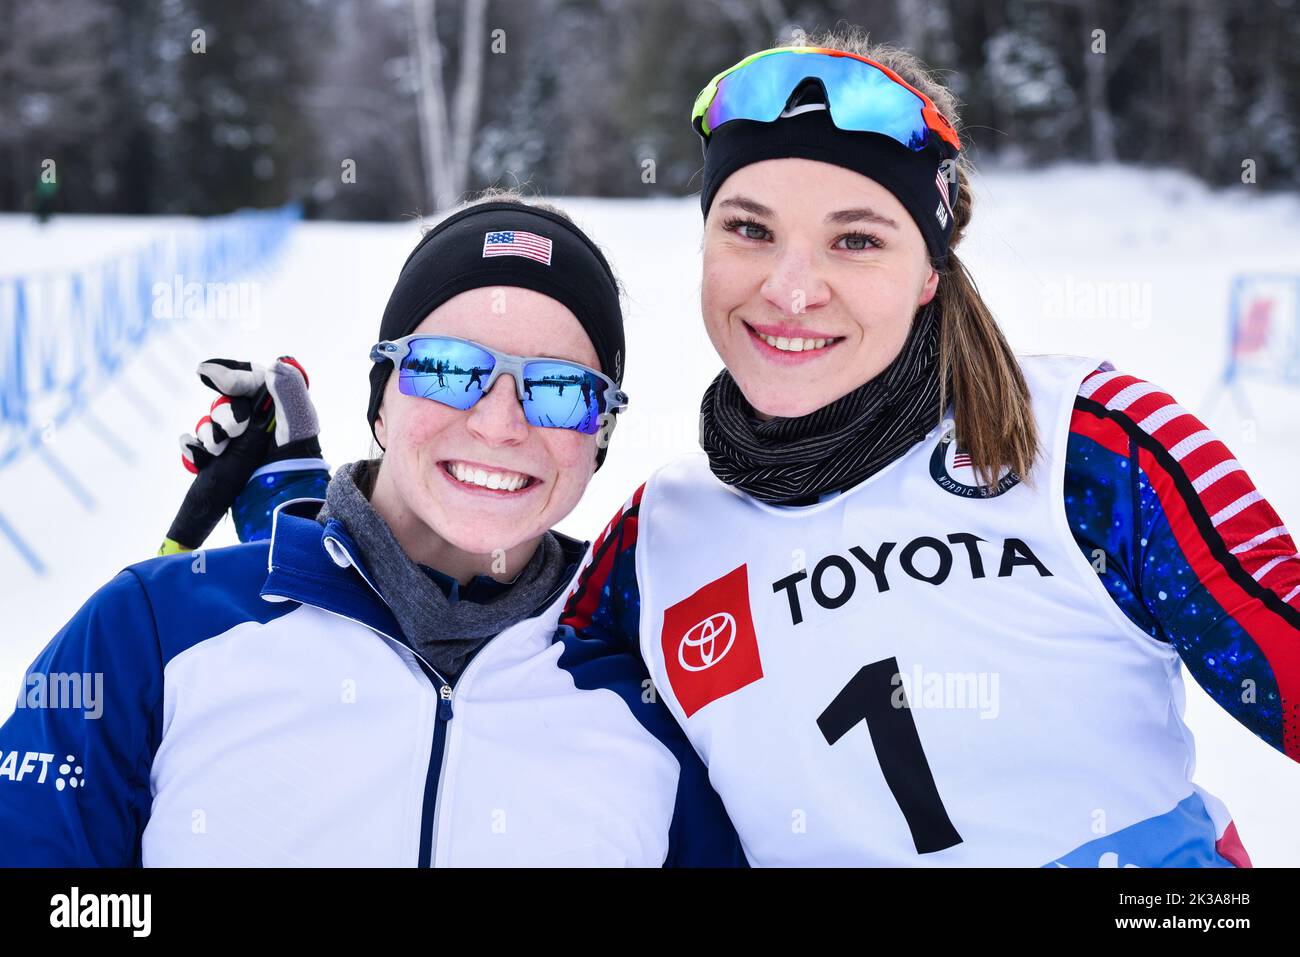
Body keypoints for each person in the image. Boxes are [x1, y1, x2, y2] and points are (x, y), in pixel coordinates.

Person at [555, 30, 1300, 866]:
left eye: (857, 239)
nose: (791, 289)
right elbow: (515, 743)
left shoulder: (1089, 442)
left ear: (929, 273)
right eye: (749, 230)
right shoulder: (650, 547)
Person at [0, 193, 743, 867]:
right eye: (449, 369)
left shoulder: (656, 693)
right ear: (381, 400)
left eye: (558, 387)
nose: (499, 422)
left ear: (600, 435)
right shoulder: (152, 631)